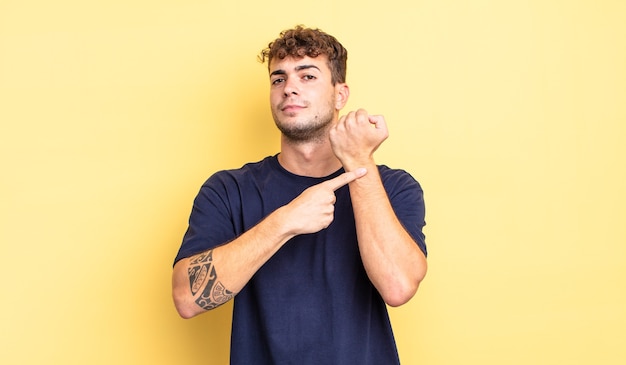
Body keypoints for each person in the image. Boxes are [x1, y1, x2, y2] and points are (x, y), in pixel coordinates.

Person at [172, 25, 428, 364]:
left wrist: (360, 162)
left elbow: (398, 287)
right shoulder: (228, 190)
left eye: (307, 76)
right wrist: (285, 221)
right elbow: (187, 298)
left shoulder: (393, 187)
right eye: (278, 79)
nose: (289, 88)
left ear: (340, 95)